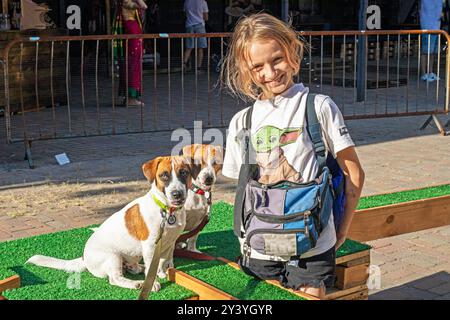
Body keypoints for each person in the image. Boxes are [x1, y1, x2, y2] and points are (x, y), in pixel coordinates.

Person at [220, 14, 365, 299]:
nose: (270, 72)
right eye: (258, 66)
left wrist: (342, 229)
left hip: (312, 242)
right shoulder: (242, 121)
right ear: (247, 71)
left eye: (277, 59)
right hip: (260, 242)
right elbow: (242, 184)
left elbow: (354, 174)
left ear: (292, 53)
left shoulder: (319, 106)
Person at [117, 0, 147, 106]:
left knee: (135, 64)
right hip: (132, 31)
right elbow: (144, 6)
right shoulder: (126, 2)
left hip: (134, 30)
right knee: (132, 65)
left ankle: (131, 97)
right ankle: (130, 98)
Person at [420, 0, 444, 82]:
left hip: (436, 26)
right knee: (425, 51)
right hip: (427, 25)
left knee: (432, 51)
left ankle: (430, 72)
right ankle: (424, 73)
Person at [183, 0, 209, 72]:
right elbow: (206, 18)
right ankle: (198, 68)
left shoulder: (187, 2)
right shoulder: (203, 2)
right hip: (200, 25)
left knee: (189, 47)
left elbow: (185, 14)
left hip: (189, 25)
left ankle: (184, 65)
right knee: (200, 48)